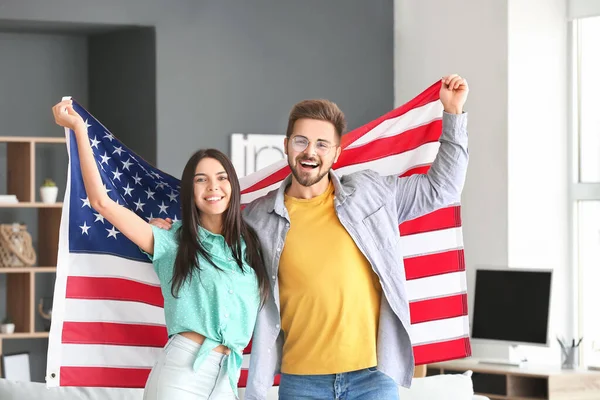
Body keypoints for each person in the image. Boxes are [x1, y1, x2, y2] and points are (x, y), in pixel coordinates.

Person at [152, 74, 470, 400]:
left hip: (372, 378)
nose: (310, 151)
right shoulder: (257, 219)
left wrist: (453, 114)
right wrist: (174, 232)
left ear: (336, 153)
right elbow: (214, 234)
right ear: (286, 145)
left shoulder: (372, 194)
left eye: (322, 144)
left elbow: (441, 189)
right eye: (301, 141)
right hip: (302, 384)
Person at [52, 99, 270, 400]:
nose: (213, 187)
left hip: (228, 376)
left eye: (221, 178)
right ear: (190, 192)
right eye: (201, 180)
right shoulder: (172, 240)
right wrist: (79, 129)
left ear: (232, 185)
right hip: (182, 372)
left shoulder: (252, 246)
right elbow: (102, 202)